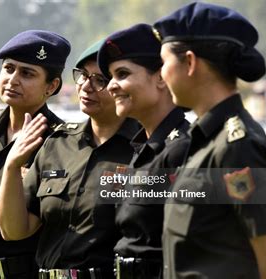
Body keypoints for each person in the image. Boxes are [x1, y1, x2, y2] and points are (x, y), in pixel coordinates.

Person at [153, 2, 266, 278]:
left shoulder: (238, 146)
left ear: (189, 62)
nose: (161, 76)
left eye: (163, 63)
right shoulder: (204, 141)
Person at [0, 40, 140, 278]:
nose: (86, 86)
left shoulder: (145, 150)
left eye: (100, 80)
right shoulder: (57, 144)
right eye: (83, 75)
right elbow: (15, 230)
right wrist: (11, 166)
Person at [0, 30, 70, 279]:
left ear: (52, 86)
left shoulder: (59, 141)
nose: (13, 79)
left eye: (27, 73)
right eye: (8, 68)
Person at [96, 23, 191, 279]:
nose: (111, 86)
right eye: (111, 77)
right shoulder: (142, 149)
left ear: (161, 77)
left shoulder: (182, 149)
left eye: (122, 74)